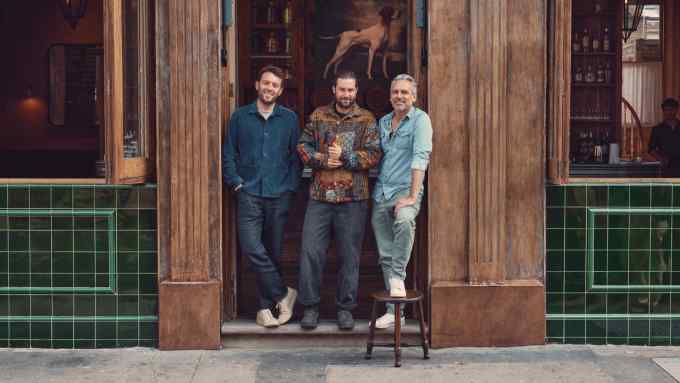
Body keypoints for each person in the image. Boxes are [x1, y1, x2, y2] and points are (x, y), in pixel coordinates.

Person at [297, 71, 382, 330]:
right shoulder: (318, 115)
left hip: (353, 198)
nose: (346, 95)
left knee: (349, 256)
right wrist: (322, 159)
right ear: (334, 90)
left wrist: (345, 157)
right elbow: (302, 146)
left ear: (356, 92)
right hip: (320, 197)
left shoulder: (366, 119)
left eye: (351, 90)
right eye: (342, 90)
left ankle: (346, 309)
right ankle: (310, 307)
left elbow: (374, 154)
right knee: (310, 253)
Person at [222, 65, 300, 328]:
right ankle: (283, 294)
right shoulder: (240, 117)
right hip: (249, 194)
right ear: (257, 85)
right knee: (252, 248)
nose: (270, 89)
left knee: (273, 253)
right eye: (266, 83)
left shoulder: (289, 119)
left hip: (279, 195)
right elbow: (228, 153)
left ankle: (266, 309)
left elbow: (295, 157)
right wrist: (236, 184)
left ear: (280, 90)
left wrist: (290, 187)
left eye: (275, 85)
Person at [371, 74, 432, 329]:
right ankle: (395, 313)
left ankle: (397, 278)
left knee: (406, 223)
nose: (399, 96)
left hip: (405, 192)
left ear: (414, 96)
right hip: (381, 193)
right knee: (385, 253)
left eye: (405, 92)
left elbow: (421, 158)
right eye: (396, 92)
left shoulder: (420, 120)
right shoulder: (383, 122)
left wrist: (411, 195)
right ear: (390, 95)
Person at [647, 97, 680, 176]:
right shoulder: (657, 129)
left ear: (676, 110)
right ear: (663, 111)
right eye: (666, 110)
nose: (669, 112)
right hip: (667, 167)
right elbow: (651, 149)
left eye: (671, 109)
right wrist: (660, 159)